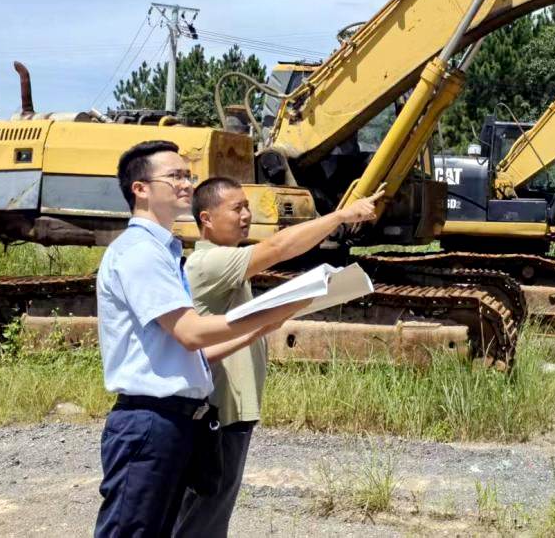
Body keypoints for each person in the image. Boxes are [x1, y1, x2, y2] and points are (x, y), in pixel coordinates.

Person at [95, 140, 312, 538]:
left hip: (175, 420)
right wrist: (265, 313)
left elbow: (191, 353)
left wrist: (265, 325)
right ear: (140, 189)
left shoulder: (161, 251)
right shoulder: (140, 252)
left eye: (187, 175)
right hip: (150, 421)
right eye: (174, 176)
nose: (186, 184)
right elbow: (191, 333)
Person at [172, 177, 385, 538]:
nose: (246, 215)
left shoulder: (225, 261)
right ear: (206, 219)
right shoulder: (210, 263)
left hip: (230, 412)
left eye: (247, 207)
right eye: (236, 208)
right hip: (218, 413)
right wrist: (340, 216)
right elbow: (279, 246)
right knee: (202, 519)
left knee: (208, 514)